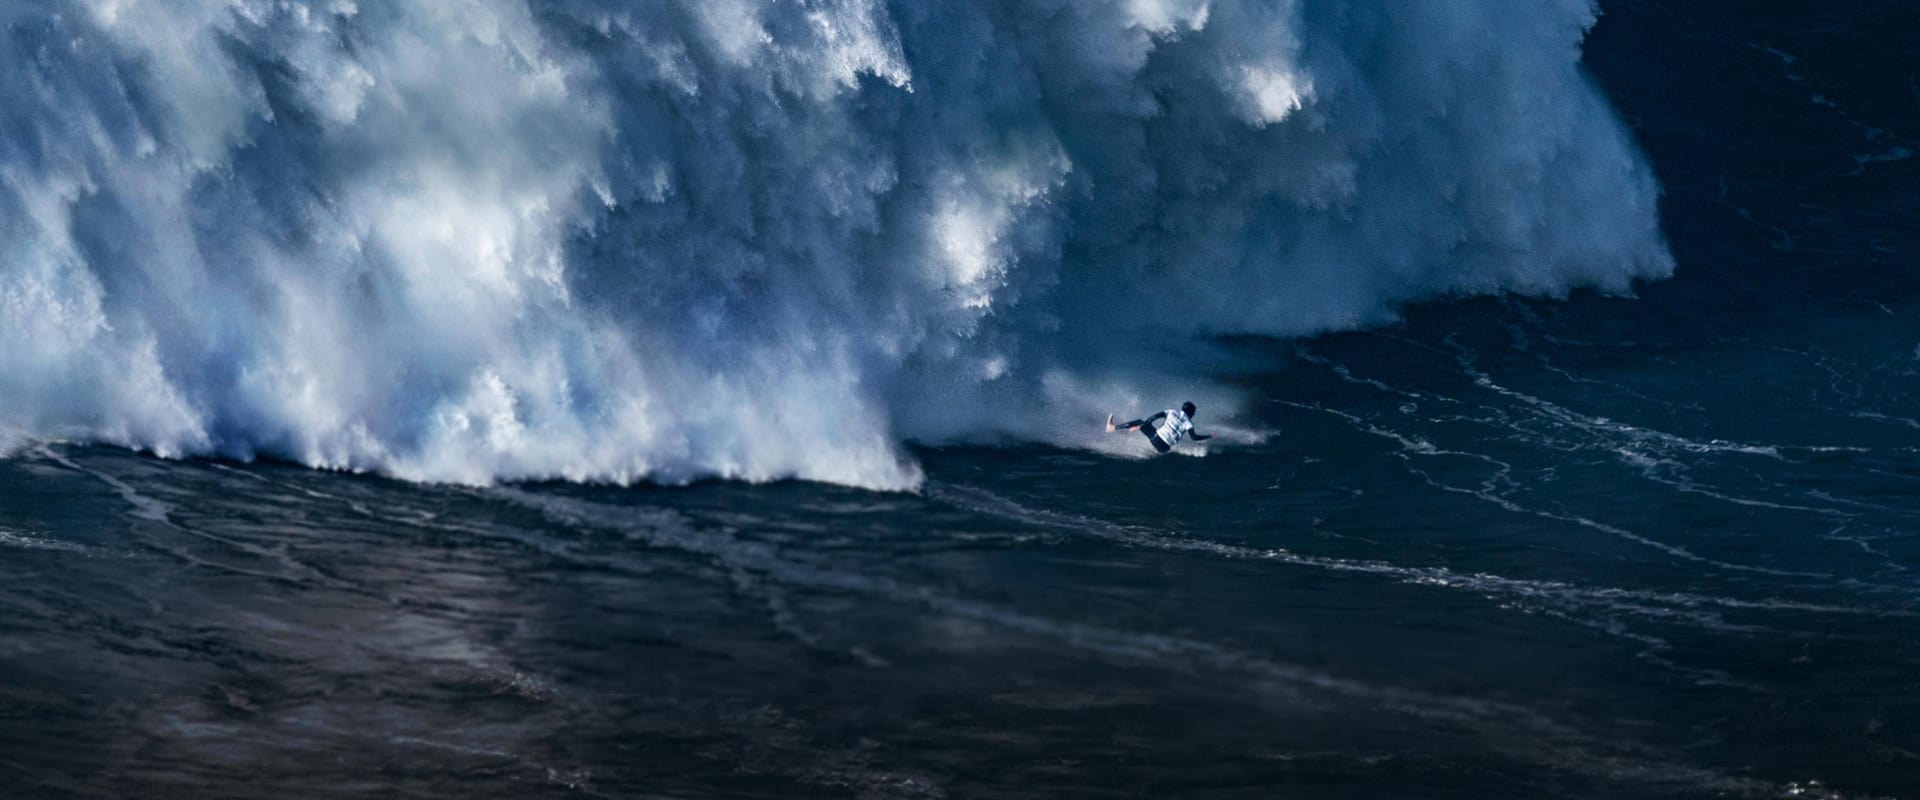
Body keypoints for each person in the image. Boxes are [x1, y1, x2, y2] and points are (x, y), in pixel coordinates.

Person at [1107, 401, 1212, 453]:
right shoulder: (1189, 423)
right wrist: (1209, 436)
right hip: (1165, 449)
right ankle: (1128, 430)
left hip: (1156, 439)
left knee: (1139, 422)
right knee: (1149, 429)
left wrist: (1140, 426)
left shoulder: (1171, 412)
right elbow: (1194, 438)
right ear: (1191, 412)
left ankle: (1112, 428)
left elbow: (1153, 417)